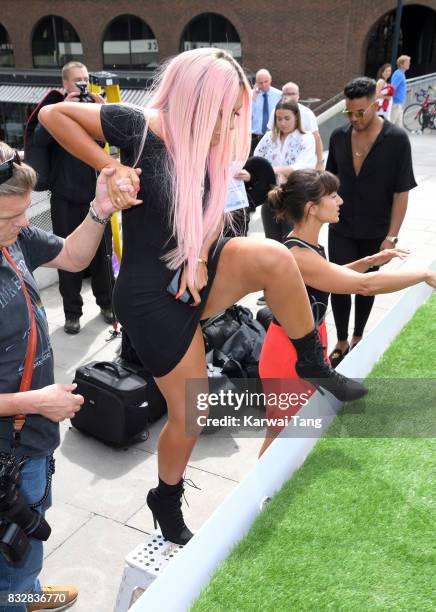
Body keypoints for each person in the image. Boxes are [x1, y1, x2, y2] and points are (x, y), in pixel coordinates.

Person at [38, 47, 366, 547]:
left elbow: (210, 216)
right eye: (224, 112)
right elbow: (53, 114)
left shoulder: (209, 151)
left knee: (275, 258)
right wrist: (112, 167)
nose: (230, 123)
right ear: (197, 100)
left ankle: (313, 363)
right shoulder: (141, 125)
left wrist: (200, 258)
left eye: (236, 113)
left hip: (194, 276)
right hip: (149, 298)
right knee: (193, 414)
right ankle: (165, 499)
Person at [0, 142, 136, 611]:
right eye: (8, 217)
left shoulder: (13, 238)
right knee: (10, 545)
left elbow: (75, 257)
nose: (23, 223)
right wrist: (34, 402)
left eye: (23, 212)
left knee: (26, 527)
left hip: (29, 438)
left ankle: (27, 591)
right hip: (9, 443)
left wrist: (99, 209)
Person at [258, 169, 436, 455]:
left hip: (306, 345)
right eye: (333, 195)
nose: (340, 200)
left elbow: (328, 276)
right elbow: (363, 287)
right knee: (281, 434)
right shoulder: (298, 254)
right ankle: (258, 496)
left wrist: (369, 260)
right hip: (287, 356)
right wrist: (422, 274)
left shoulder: (306, 246)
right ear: (312, 208)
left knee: (295, 431)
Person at [326, 77, 416, 367]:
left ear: (376, 105)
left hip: (376, 228)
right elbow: (328, 184)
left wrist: (391, 237)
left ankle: (358, 337)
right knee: (339, 282)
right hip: (341, 226)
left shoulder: (397, 140)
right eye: (349, 113)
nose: (354, 118)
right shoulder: (339, 136)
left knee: (367, 283)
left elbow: (401, 192)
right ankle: (340, 340)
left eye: (360, 112)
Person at [31, 61, 114, 335]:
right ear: (65, 83)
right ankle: (72, 313)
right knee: (65, 256)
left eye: (85, 78)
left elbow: (105, 142)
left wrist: (100, 110)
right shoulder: (52, 110)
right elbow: (39, 141)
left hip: (95, 195)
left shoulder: (92, 105)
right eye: (77, 79)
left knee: (102, 256)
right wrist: (64, 108)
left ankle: (108, 304)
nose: (82, 84)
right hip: (64, 197)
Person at [267, 82, 325, 170]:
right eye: (287, 94)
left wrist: (320, 162)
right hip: (280, 163)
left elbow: (316, 137)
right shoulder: (275, 111)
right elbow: (270, 134)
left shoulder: (307, 113)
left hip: (302, 164)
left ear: (298, 96)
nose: (290, 96)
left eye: (293, 94)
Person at [250, 69, 282, 154]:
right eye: (260, 83)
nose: (263, 85)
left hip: (273, 136)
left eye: (266, 81)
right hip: (254, 137)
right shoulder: (251, 96)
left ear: (270, 79)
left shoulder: (279, 95)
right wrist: (253, 97)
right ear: (256, 82)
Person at [390, 55, 411, 127]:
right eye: (407, 62)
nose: (409, 64)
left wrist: (405, 90)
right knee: (391, 125)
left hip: (399, 104)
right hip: (395, 104)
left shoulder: (401, 74)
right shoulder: (399, 74)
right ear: (401, 64)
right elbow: (392, 88)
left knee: (398, 127)